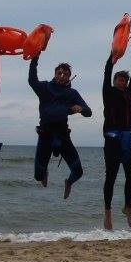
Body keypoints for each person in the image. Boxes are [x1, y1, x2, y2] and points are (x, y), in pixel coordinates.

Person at [28, 55, 92, 199]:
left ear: (69, 77)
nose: (62, 76)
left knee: (78, 172)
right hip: (45, 134)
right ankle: (44, 172)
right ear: (55, 74)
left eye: (66, 74)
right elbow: (32, 80)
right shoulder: (45, 87)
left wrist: (80, 109)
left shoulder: (72, 93)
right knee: (38, 176)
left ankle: (68, 182)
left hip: (62, 135)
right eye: (59, 73)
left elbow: (89, 112)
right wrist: (34, 59)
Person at [102, 40, 131, 229]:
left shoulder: (129, 94)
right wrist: (112, 57)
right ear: (114, 81)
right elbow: (106, 72)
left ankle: (127, 206)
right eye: (120, 80)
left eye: (125, 81)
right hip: (112, 140)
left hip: (127, 140)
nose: (123, 82)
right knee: (111, 177)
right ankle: (107, 214)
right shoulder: (108, 92)